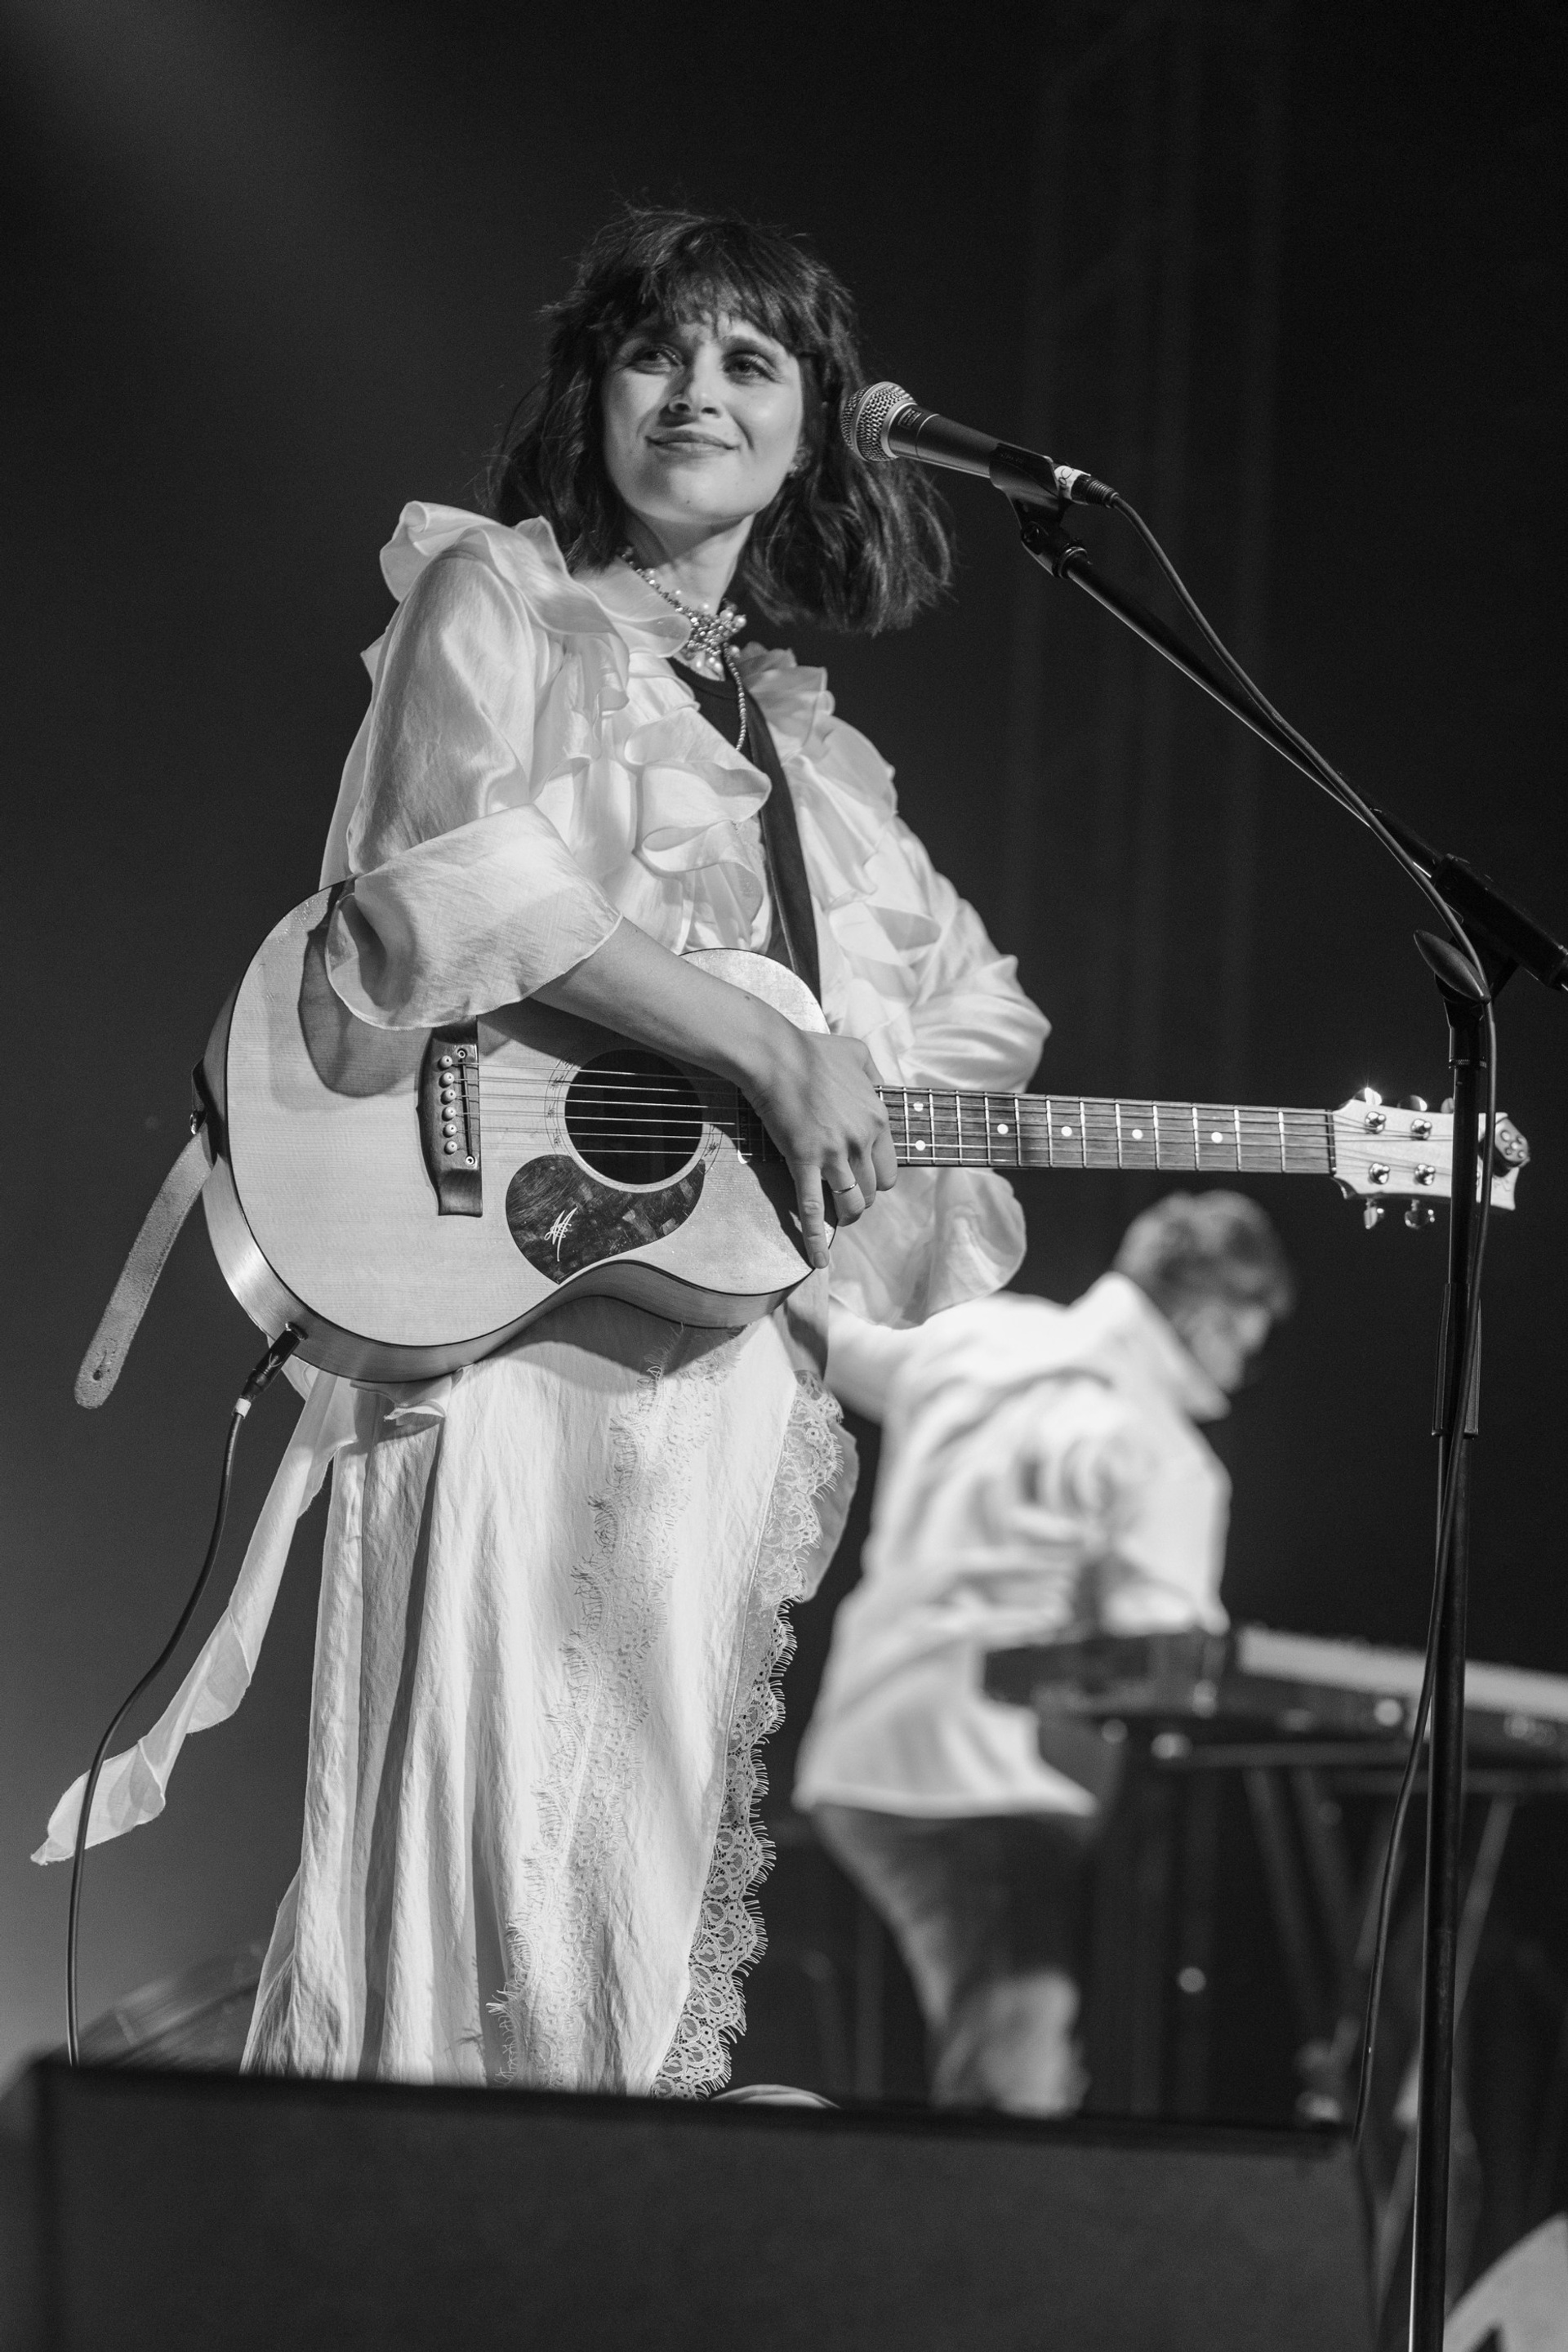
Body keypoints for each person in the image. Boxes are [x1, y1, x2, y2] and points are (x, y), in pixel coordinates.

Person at [38, 207, 1047, 2096]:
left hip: (716, 1348)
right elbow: (435, 881)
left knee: (630, 1865)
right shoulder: (492, 599)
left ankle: (581, 2245)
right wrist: (756, 1033)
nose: (697, 387)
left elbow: (976, 1013)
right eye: (658, 347)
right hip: (498, 1306)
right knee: (460, 1824)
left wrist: (835, 1085)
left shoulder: (817, 759)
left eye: (753, 360)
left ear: (816, 427)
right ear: (591, 391)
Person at [795, 1191, 1294, 2113]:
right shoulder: (1166, 1455)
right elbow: (1165, 1661)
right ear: (1210, 1316)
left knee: (946, 2062)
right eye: (1249, 1338)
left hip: (859, 1749)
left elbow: (819, 1320)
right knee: (1010, 2094)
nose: (1245, 1366)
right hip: (995, 1779)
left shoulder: (977, 1338)